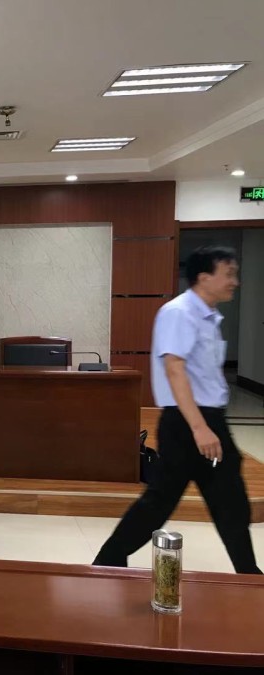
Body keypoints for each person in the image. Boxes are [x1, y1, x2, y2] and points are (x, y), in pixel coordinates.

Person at [93, 246, 261, 574]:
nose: (235, 282)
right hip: (189, 423)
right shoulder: (179, 312)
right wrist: (200, 428)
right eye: (228, 274)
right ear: (204, 277)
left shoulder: (208, 317)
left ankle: (248, 574)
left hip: (205, 420)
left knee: (229, 502)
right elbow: (174, 369)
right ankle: (107, 562)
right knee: (161, 502)